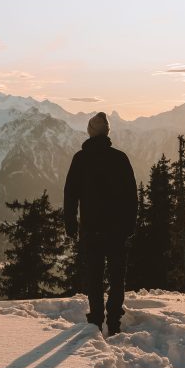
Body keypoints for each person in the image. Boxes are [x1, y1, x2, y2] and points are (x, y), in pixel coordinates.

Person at [64, 111, 137, 336]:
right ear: (106, 133)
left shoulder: (80, 158)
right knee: (117, 278)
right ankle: (114, 322)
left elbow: (70, 194)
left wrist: (70, 225)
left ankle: (95, 320)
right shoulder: (120, 158)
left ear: (90, 132)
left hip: (91, 230)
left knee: (94, 277)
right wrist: (129, 227)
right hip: (117, 231)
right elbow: (131, 196)